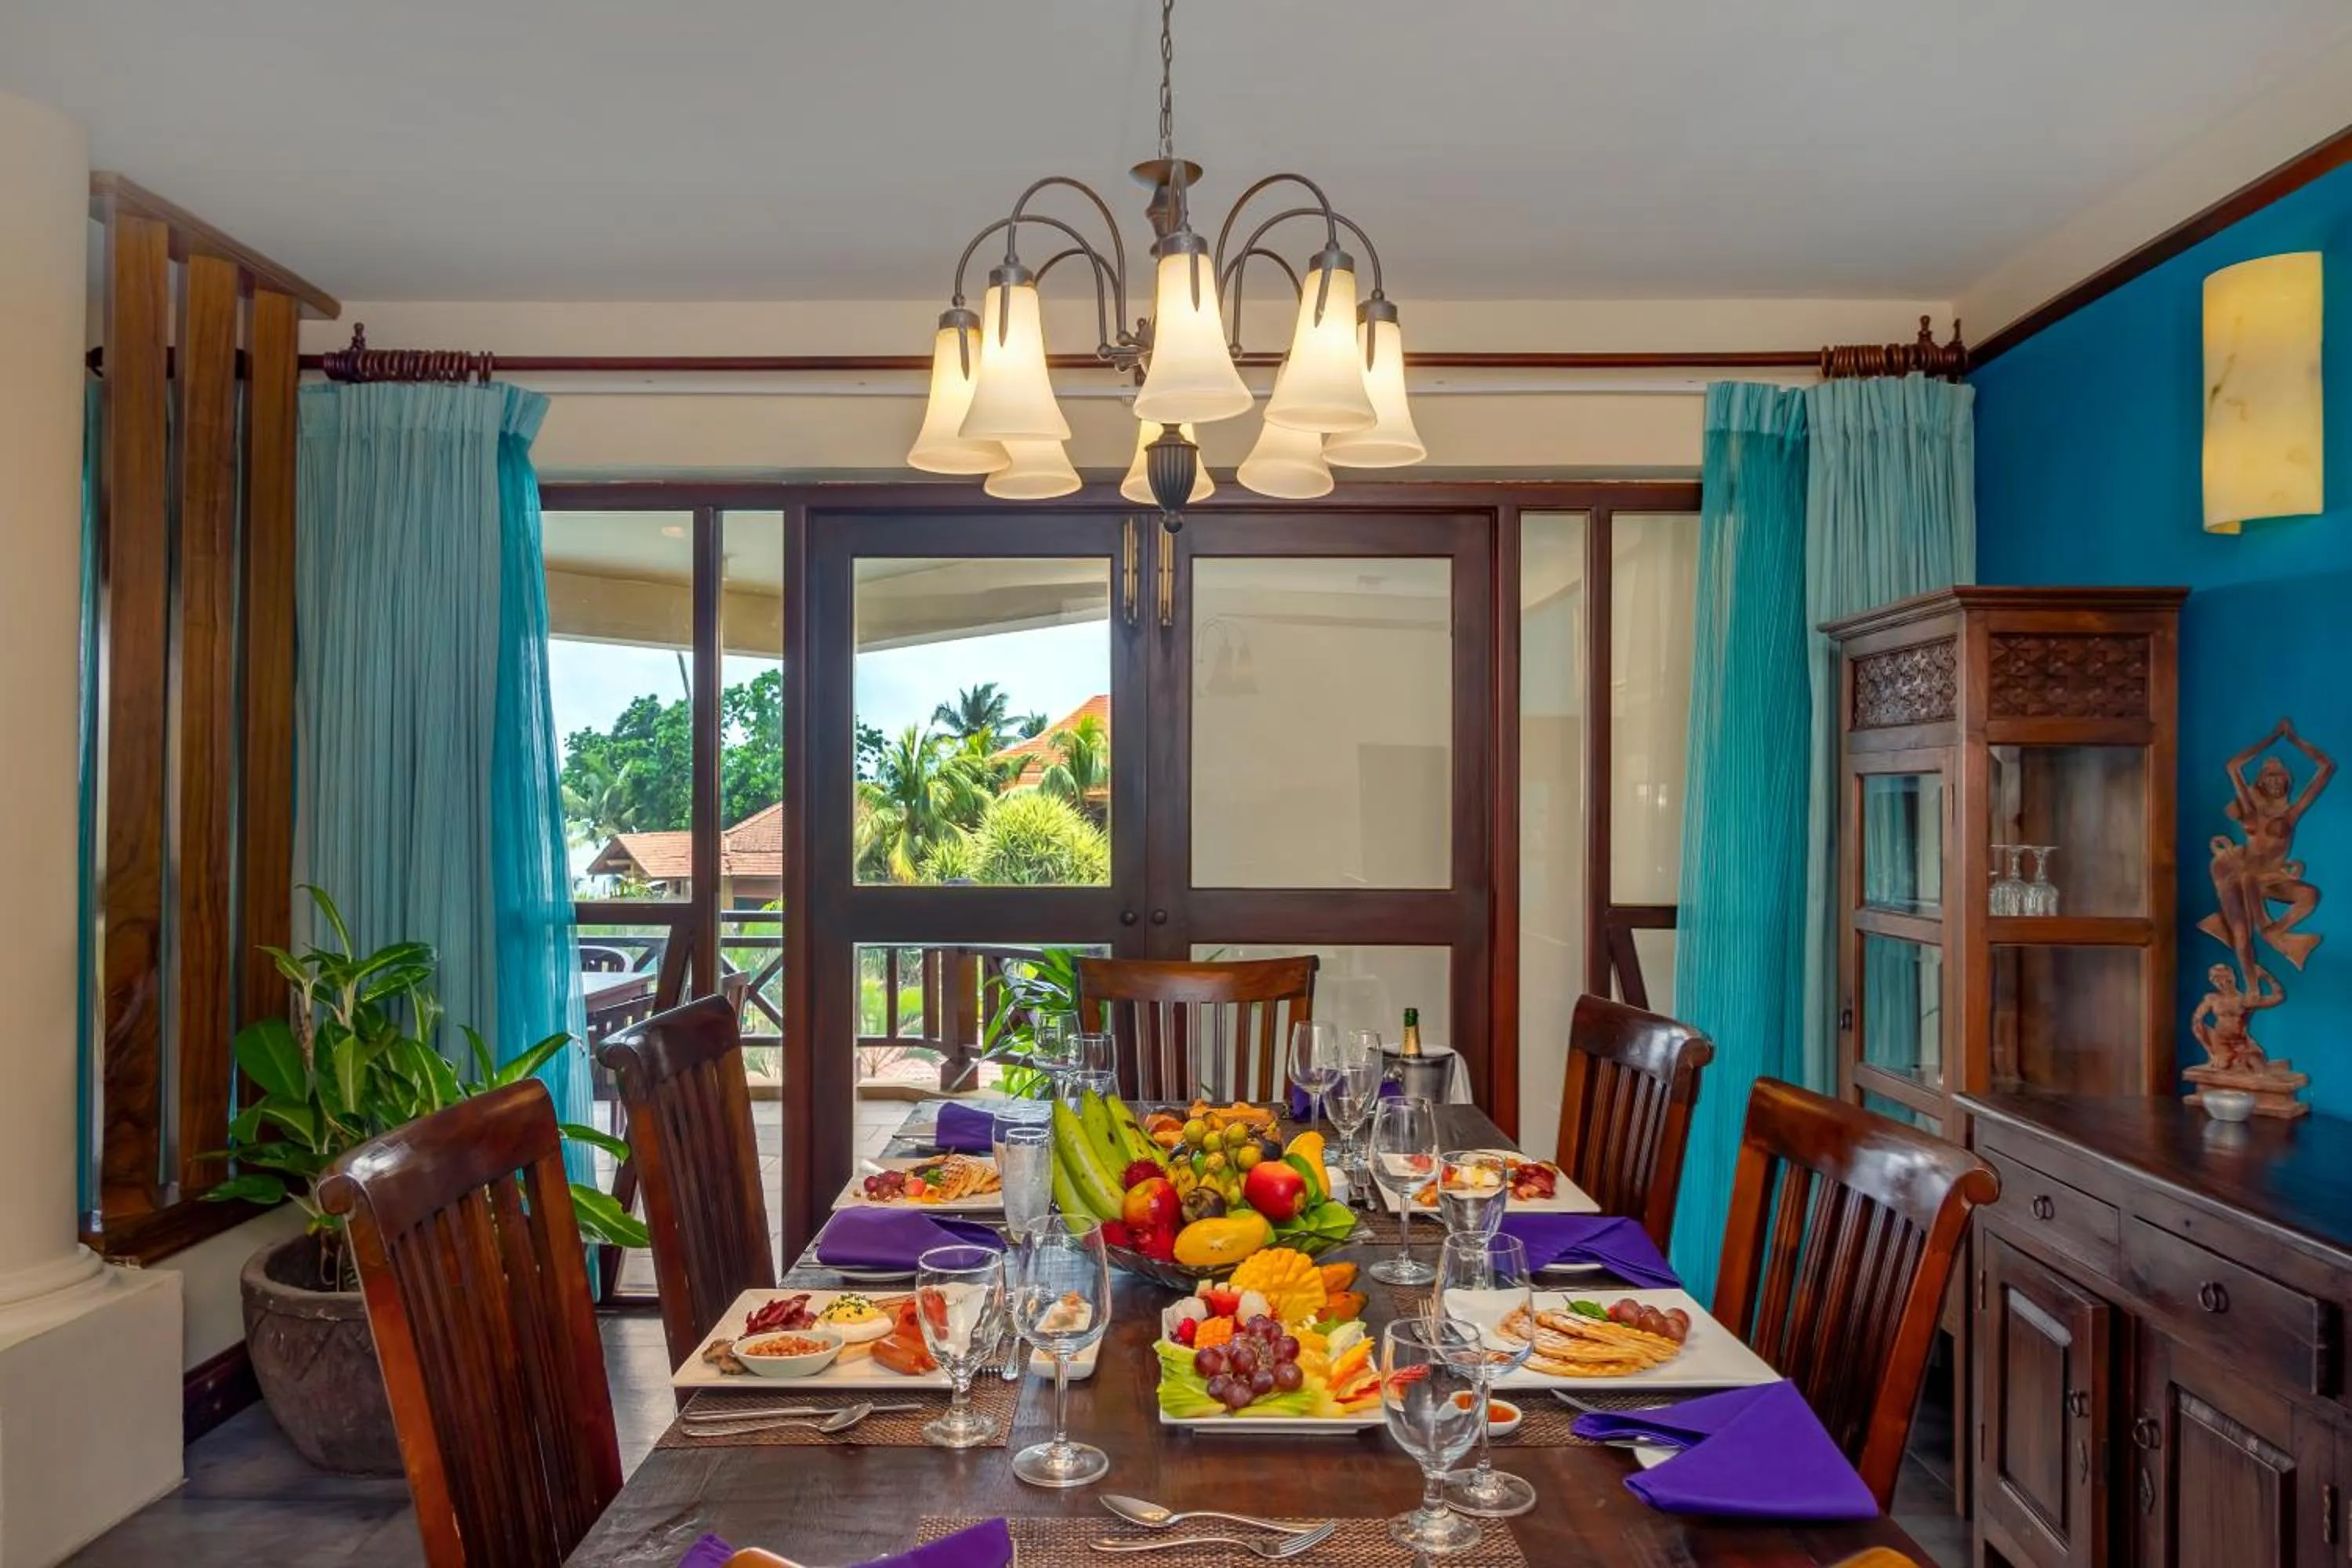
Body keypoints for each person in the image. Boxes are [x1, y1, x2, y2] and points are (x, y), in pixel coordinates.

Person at [2199, 718, 2333, 979]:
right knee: (2242, 930)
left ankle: (2275, 930)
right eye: (2270, 778)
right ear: (2261, 782)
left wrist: (2293, 739)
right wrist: (2272, 737)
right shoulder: (2250, 809)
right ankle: (2252, 986)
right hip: (2243, 877)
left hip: (2271, 880)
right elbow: (2233, 766)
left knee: (2310, 895)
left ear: (2287, 782)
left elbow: (2326, 767)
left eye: (2280, 778)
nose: (2276, 783)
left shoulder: (2291, 814)